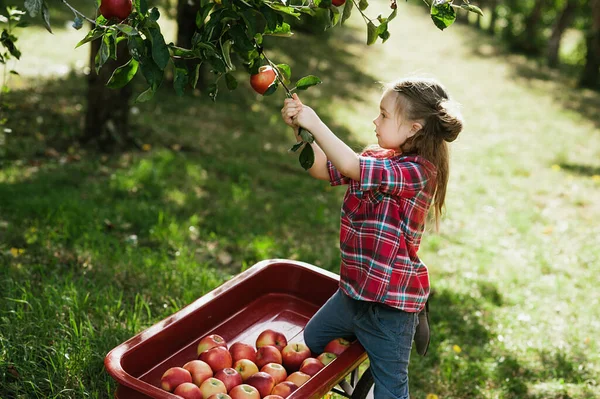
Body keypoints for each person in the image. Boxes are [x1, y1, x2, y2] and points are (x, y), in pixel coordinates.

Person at [280, 77, 463, 399]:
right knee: (307, 345)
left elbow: (350, 166)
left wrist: (316, 121)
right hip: (353, 294)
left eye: (383, 115)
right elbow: (322, 168)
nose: (375, 121)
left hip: (389, 308)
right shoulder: (377, 158)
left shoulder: (418, 172)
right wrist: (302, 131)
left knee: (390, 390)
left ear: (413, 129)